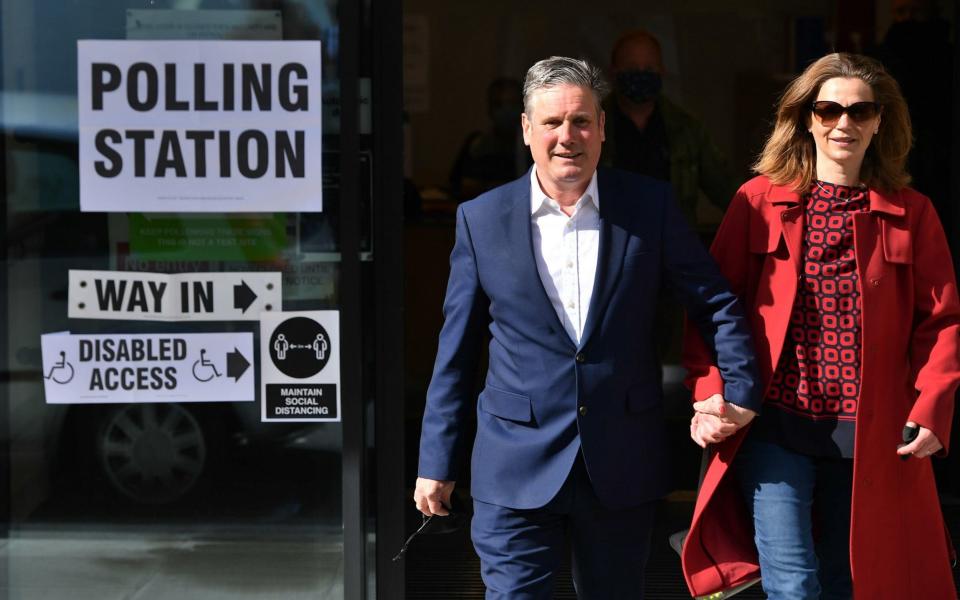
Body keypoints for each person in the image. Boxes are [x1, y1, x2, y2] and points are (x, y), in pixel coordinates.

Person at [414, 56, 759, 599]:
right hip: (513, 464)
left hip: (622, 460)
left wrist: (739, 391)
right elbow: (455, 354)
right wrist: (437, 461)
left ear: (602, 127)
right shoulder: (480, 219)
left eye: (580, 121)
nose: (566, 136)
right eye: (551, 122)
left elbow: (714, 302)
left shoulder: (649, 206)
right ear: (527, 130)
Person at [680, 52, 959, 599]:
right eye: (828, 109)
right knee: (793, 586)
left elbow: (941, 322)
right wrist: (710, 394)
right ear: (806, 117)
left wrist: (933, 409)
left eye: (860, 111)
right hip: (776, 426)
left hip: (872, 439)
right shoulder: (756, 201)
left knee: (846, 582)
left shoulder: (912, 211)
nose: (844, 124)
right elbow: (714, 309)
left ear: (880, 121)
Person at [601, 29, 736, 226]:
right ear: (613, 71)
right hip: (611, 241)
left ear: (662, 70)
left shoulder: (686, 129)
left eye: (649, 68)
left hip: (671, 245)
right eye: (631, 67)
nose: (640, 74)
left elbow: (725, 188)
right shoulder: (591, 128)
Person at [449, 77, 531, 202]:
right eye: (499, 104)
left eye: (512, 103)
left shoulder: (532, 146)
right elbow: (457, 185)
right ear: (490, 108)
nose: (506, 110)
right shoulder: (476, 145)